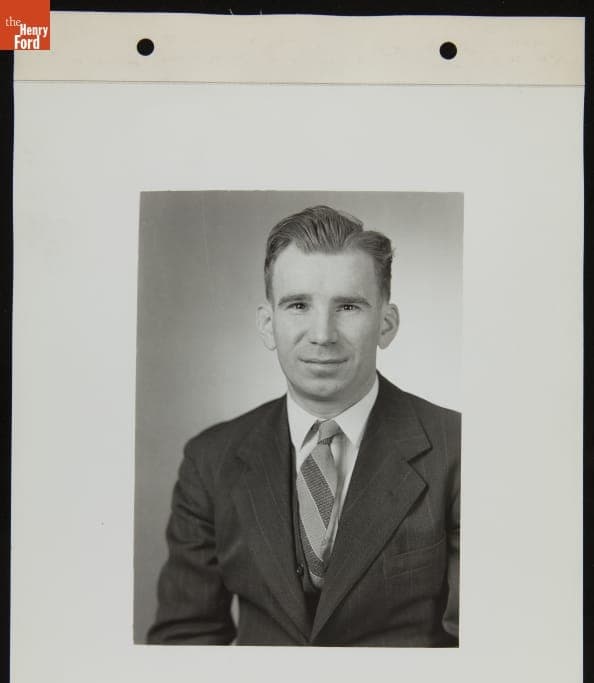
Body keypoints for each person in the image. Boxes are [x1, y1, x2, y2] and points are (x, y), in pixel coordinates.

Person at [147, 205, 460, 647]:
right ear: (267, 324)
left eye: (348, 306)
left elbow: (477, 652)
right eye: (298, 305)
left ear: (386, 325)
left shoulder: (460, 451)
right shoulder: (210, 459)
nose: (322, 334)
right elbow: (185, 641)